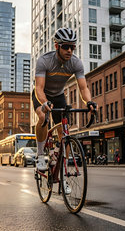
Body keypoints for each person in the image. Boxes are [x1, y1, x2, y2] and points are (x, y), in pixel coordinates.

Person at [32, 27, 96, 192]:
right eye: (66, 46)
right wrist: (45, 103)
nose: (69, 50)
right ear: (56, 46)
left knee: (65, 134)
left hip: (59, 96)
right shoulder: (44, 61)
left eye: (72, 47)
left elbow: (83, 88)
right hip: (42, 95)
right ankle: (40, 155)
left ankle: (62, 173)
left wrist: (89, 102)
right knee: (43, 117)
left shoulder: (76, 63)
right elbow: (39, 88)